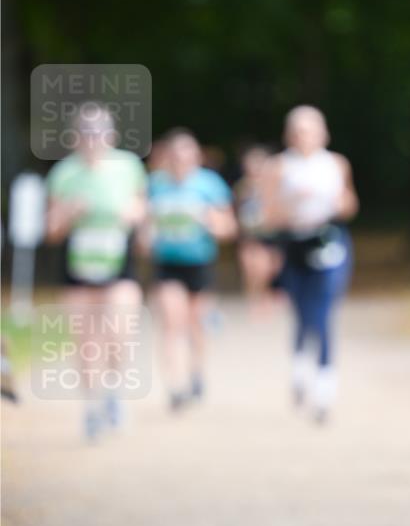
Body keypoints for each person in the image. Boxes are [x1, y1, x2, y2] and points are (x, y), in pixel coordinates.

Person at [45, 102, 147, 440]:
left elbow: (141, 207)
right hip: (79, 266)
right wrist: (70, 212)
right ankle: (91, 407)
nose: (92, 138)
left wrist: (131, 214)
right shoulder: (63, 173)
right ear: (75, 137)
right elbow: (51, 230)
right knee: (87, 342)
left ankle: (114, 390)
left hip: (118, 263)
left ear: (111, 135)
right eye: (86, 132)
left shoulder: (128, 166)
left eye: (98, 131)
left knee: (119, 332)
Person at [259, 106, 358, 423]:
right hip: (295, 246)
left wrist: (333, 203)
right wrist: (294, 206)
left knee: (324, 310)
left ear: (323, 133)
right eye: (299, 130)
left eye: (311, 129)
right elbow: (266, 215)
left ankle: (325, 386)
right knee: (303, 313)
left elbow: (349, 205)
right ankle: (300, 367)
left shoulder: (336, 164)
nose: (305, 136)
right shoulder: (278, 167)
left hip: (329, 242)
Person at [147, 128, 237, 410]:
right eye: (175, 154)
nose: (180, 159)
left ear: (196, 156)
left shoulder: (209, 184)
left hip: (200, 263)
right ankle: (174, 386)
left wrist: (210, 222)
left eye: (187, 154)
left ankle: (196, 372)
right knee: (172, 323)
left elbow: (229, 227)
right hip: (167, 264)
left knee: (196, 324)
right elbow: (143, 223)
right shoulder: (154, 185)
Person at [234, 144, 284, 316]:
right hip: (250, 235)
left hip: (270, 233)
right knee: (253, 269)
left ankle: (266, 296)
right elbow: (236, 210)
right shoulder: (241, 187)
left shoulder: (274, 185)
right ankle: (254, 300)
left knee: (271, 268)